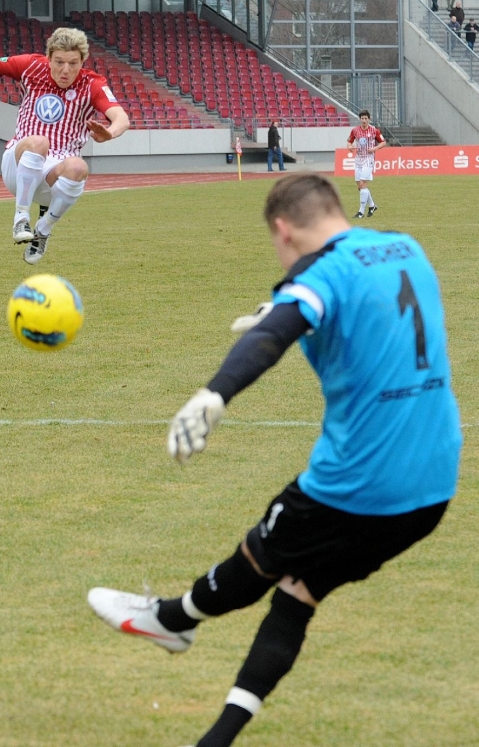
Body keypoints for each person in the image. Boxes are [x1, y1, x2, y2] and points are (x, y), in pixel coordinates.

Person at [87, 172, 462, 747]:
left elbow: (275, 334)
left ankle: (170, 619)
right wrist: (283, 311)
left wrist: (214, 394)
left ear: (283, 231)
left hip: (358, 485)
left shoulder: (321, 274)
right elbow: (361, 308)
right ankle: (215, 735)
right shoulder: (403, 246)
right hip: (432, 488)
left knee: (259, 560)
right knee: (298, 590)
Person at [0, 28, 129, 264]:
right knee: (40, 141)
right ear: (49, 57)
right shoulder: (31, 66)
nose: (66, 70)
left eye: (73, 63)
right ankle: (21, 217)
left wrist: (110, 133)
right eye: (59, 62)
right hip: (18, 163)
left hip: (54, 177)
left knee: (79, 167)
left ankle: (43, 229)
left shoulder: (92, 84)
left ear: (82, 61)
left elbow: (121, 118)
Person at [346, 109, 386, 218]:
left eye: (365, 118)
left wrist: (375, 148)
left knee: (363, 183)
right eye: (362, 118)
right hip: (358, 158)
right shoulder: (355, 131)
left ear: (369, 119)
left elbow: (383, 142)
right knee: (359, 186)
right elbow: (349, 142)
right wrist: (350, 147)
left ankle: (361, 212)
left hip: (369, 159)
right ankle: (372, 205)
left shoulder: (374, 131)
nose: (364, 120)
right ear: (360, 119)